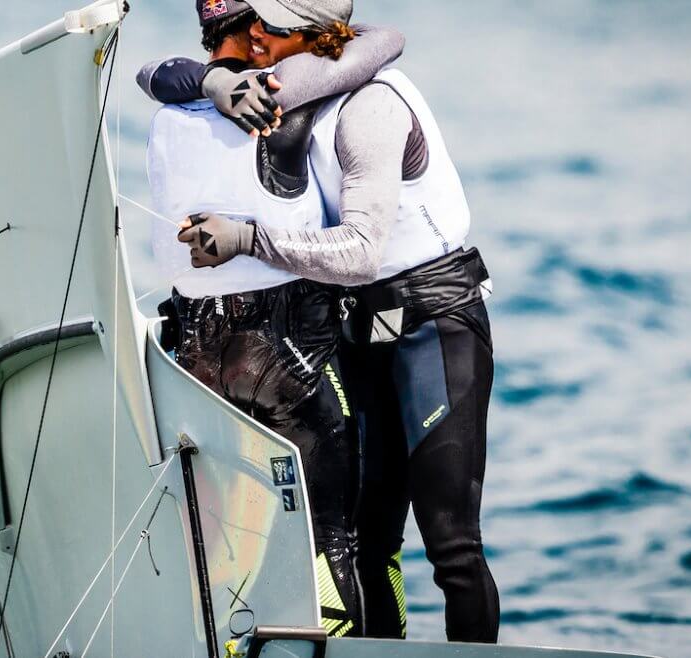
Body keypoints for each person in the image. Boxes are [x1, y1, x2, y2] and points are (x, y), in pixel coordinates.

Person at [138, 0, 501, 643]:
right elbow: (159, 75)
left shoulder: (370, 107)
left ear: (311, 37)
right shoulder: (300, 89)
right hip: (357, 324)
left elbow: (361, 253)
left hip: (432, 321)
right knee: (367, 539)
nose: (253, 46)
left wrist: (248, 238)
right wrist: (211, 81)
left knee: (452, 547)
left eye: (267, 34)